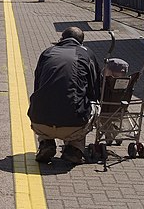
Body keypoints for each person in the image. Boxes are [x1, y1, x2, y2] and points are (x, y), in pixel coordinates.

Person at [28, 26, 101, 165]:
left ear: (61, 39)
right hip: (74, 126)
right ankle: (74, 149)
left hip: (40, 122)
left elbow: (37, 85)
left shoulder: (47, 53)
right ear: (81, 43)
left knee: (41, 99)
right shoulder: (87, 54)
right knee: (94, 104)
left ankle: (46, 143)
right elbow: (95, 90)